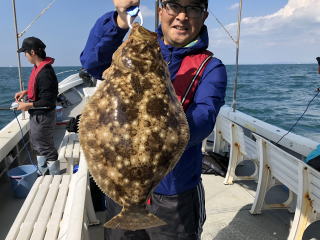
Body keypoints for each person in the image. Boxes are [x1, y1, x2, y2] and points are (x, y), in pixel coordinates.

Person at [80, 0, 227, 239]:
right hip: (120, 189)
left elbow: (205, 117)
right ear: (161, 11)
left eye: (193, 9)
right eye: (174, 6)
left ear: (204, 16)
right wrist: (120, 18)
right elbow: (92, 62)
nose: (182, 16)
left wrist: (155, 131)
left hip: (175, 193)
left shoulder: (211, 67)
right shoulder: (133, 54)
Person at [14, 36, 59, 175]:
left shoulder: (45, 72)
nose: (25, 56)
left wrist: (27, 105)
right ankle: (43, 172)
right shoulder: (38, 67)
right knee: (37, 144)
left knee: (45, 147)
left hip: (43, 116)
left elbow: (49, 101)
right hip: (37, 115)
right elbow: (41, 88)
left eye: (25, 53)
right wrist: (26, 92)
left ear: (32, 52)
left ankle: (55, 176)